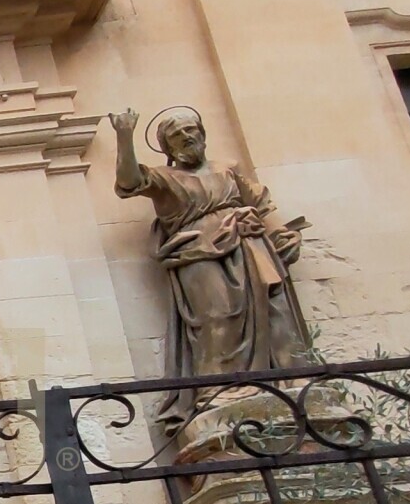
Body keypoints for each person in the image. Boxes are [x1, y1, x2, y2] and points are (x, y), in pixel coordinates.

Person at [110, 106, 315, 432]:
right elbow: (129, 181)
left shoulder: (228, 169)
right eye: (178, 134)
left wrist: (282, 235)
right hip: (198, 254)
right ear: (167, 146)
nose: (188, 136)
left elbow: (262, 204)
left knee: (275, 308)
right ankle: (216, 391)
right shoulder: (168, 178)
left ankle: (294, 379)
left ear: (203, 133)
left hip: (250, 245)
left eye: (192, 129)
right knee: (214, 319)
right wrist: (124, 136)